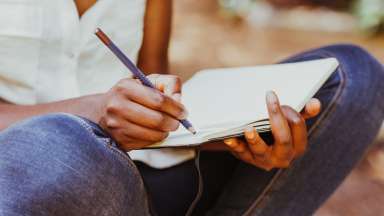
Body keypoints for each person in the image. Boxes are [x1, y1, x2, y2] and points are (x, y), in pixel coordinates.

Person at [0, 0, 383, 215]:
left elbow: (158, 96)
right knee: (64, 148)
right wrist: (95, 112)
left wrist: (249, 136)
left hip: (149, 179)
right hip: (45, 181)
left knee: (354, 76)